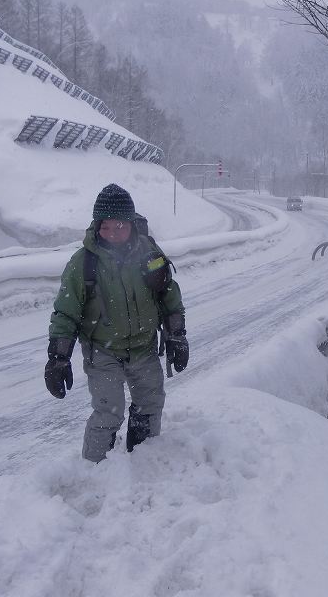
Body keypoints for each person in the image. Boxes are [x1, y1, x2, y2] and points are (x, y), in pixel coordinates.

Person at [44, 183, 189, 462]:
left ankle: (142, 462)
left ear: (131, 224)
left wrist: (177, 335)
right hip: (103, 351)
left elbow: (168, 293)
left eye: (119, 225)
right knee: (108, 413)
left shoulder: (149, 253)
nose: (112, 233)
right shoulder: (83, 263)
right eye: (106, 226)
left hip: (144, 347)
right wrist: (58, 358)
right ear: (97, 226)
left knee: (150, 405)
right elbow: (65, 312)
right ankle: (94, 470)